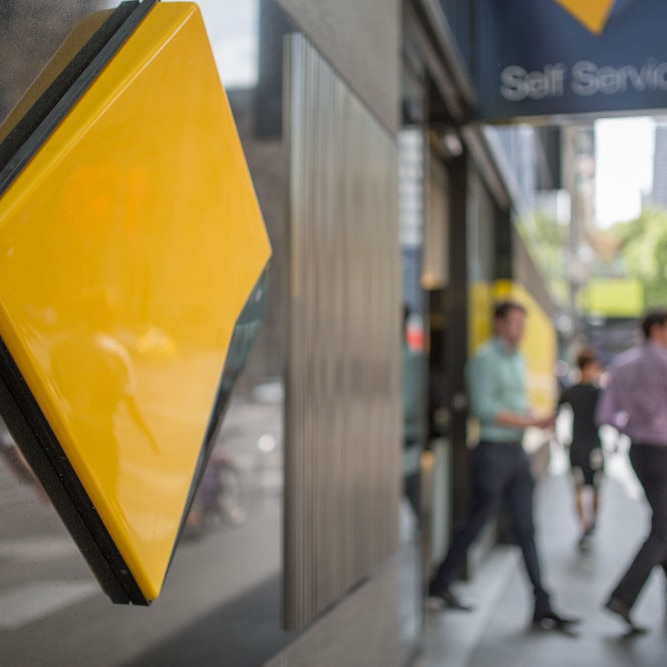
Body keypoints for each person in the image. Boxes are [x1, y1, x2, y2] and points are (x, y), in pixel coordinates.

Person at [428, 299, 580, 629]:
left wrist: (538, 420)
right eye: (515, 322)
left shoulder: (518, 359)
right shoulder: (484, 360)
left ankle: (542, 604)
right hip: (492, 451)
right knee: (475, 522)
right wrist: (529, 424)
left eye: (522, 323)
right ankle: (440, 584)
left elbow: (517, 404)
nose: (521, 329)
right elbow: (484, 409)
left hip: (516, 452)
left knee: (526, 529)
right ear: (499, 324)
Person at [596, 308, 667, 633]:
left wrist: (635, 426)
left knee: (663, 524)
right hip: (662, 452)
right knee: (663, 528)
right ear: (657, 329)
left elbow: (608, 415)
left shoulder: (622, 364)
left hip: (640, 453)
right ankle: (622, 597)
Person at [557, 347, 604, 551]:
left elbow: (555, 415)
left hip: (576, 447)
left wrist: (560, 439)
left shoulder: (571, 391)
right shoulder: (598, 393)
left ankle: (584, 528)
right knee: (594, 489)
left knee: (579, 489)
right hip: (594, 447)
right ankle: (590, 525)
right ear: (590, 367)